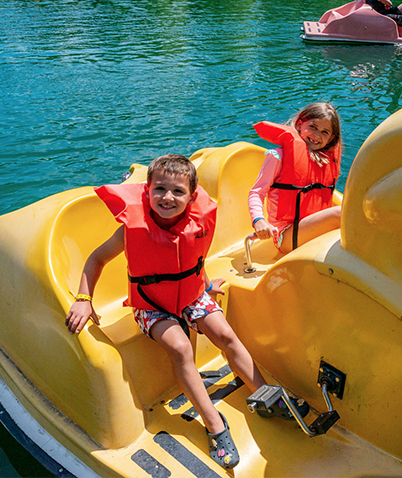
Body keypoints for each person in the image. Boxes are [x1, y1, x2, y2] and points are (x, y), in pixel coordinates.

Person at [64, 155, 306, 470]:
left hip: (192, 294)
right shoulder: (131, 229)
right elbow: (96, 259)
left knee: (225, 334)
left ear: (192, 196)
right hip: (150, 305)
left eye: (177, 192)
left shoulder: (198, 221)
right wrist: (84, 298)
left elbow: (196, 257)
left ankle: (264, 394)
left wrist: (205, 286)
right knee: (180, 347)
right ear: (147, 190)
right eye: (160, 189)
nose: (167, 197)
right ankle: (214, 424)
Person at [249, 102, 343, 253]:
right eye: (313, 127)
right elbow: (256, 192)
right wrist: (258, 220)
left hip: (310, 228)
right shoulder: (279, 156)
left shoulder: (325, 162)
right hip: (285, 235)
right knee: (340, 214)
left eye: (325, 132)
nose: (317, 135)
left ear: (331, 138)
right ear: (300, 124)